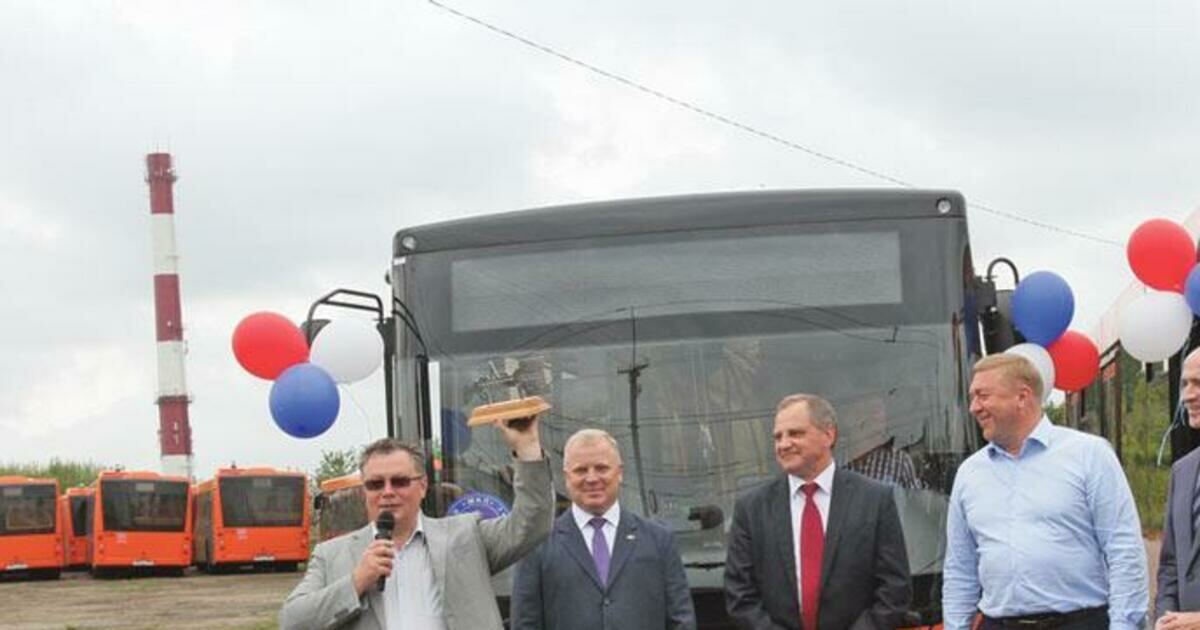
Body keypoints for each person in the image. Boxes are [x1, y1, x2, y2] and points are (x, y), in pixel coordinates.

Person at [279, 416, 553, 630]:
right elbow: (292, 621)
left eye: (399, 481)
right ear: (365, 492)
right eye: (375, 484)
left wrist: (528, 449)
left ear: (422, 486)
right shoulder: (331, 555)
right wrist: (357, 581)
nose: (387, 492)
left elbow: (533, 523)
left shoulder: (467, 535)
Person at [943, 354, 1147, 630]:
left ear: (1022, 397)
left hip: (1079, 623)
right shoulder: (969, 473)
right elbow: (960, 568)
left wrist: (1124, 626)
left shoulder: (1089, 455)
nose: (974, 408)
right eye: (972, 398)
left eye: (983, 396)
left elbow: (1124, 550)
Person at [724, 393, 911, 629]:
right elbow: (740, 595)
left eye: (795, 433)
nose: (783, 444)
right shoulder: (751, 509)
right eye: (778, 436)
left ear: (828, 435)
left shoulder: (875, 500)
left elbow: (894, 587)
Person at [510, 428, 696, 630]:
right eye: (581, 470)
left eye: (601, 468)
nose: (591, 478)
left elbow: (681, 621)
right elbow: (525, 624)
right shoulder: (537, 544)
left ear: (620, 473)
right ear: (566, 477)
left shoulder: (659, 540)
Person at [1156, 347, 1200, 628]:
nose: (1187, 395)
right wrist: (1165, 619)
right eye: (1185, 384)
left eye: (1198, 383)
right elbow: (1170, 567)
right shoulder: (1182, 471)